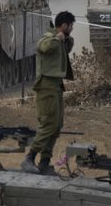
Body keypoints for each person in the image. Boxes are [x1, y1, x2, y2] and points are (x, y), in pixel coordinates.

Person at [21, 11, 75, 175]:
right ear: (64, 25)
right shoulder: (48, 37)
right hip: (46, 87)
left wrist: (65, 38)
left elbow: (68, 47)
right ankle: (29, 158)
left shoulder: (61, 38)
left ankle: (45, 162)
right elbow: (42, 46)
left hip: (56, 86)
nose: (72, 29)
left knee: (56, 126)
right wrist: (57, 38)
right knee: (48, 125)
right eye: (70, 26)